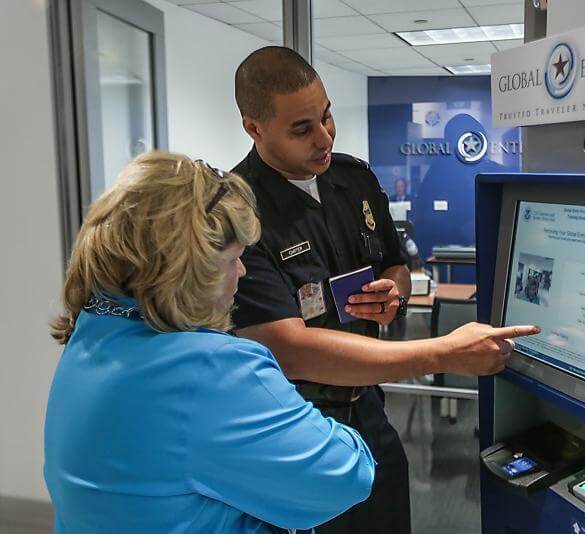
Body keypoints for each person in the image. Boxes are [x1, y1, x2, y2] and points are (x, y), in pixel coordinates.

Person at [230, 46, 539, 534]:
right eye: (302, 128)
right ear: (254, 128)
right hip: (291, 421)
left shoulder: (352, 179)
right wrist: (441, 353)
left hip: (367, 406)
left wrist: (391, 294)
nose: (324, 136)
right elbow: (290, 350)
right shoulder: (238, 211)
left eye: (327, 117)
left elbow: (394, 263)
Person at [44, 152, 376, 533]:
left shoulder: (90, 329)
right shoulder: (209, 369)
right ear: (191, 269)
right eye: (234, 257)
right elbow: (347, 476)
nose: (242, 270)